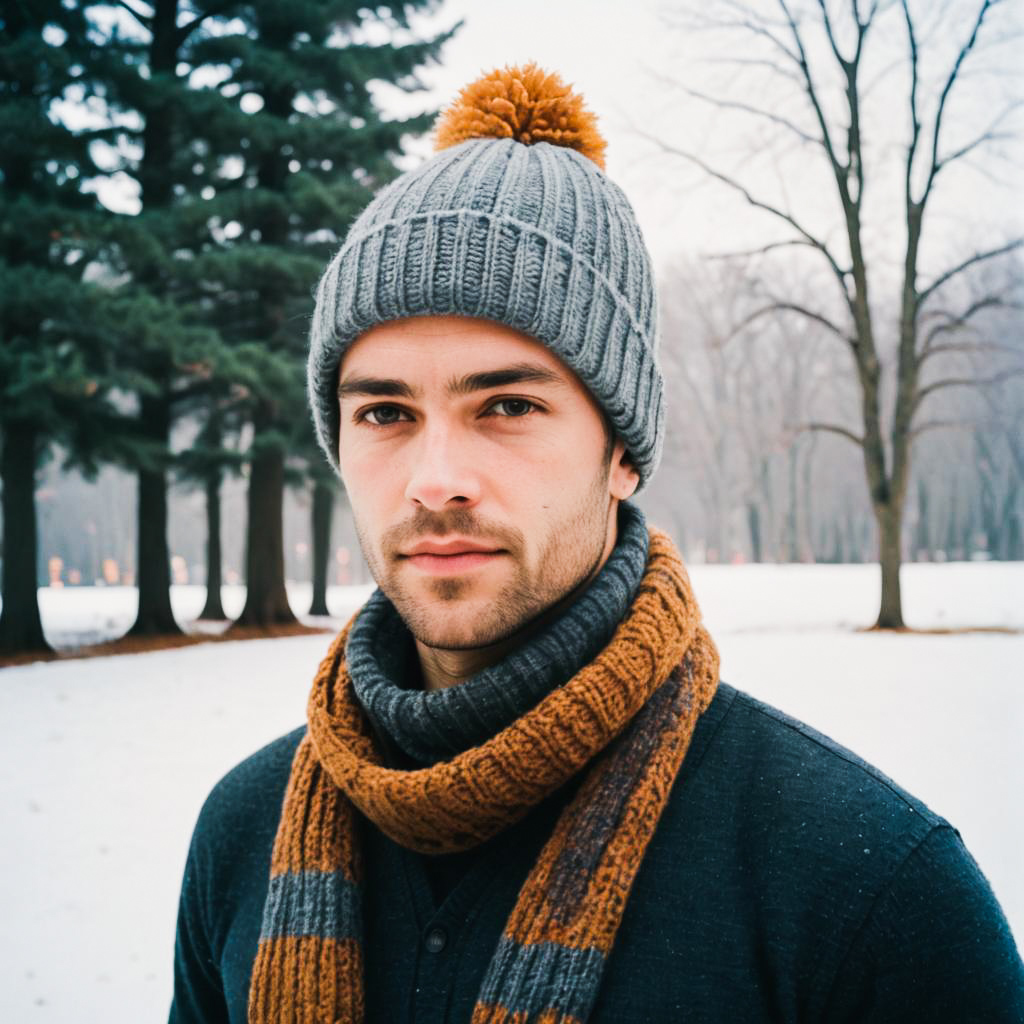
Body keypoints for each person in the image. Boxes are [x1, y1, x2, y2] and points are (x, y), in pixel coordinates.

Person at [169, 63, 1023, 1024]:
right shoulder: (241, 833)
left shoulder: (866, 889)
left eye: (507, 405)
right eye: (384, 413)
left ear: (622, 452)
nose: (434, 477)